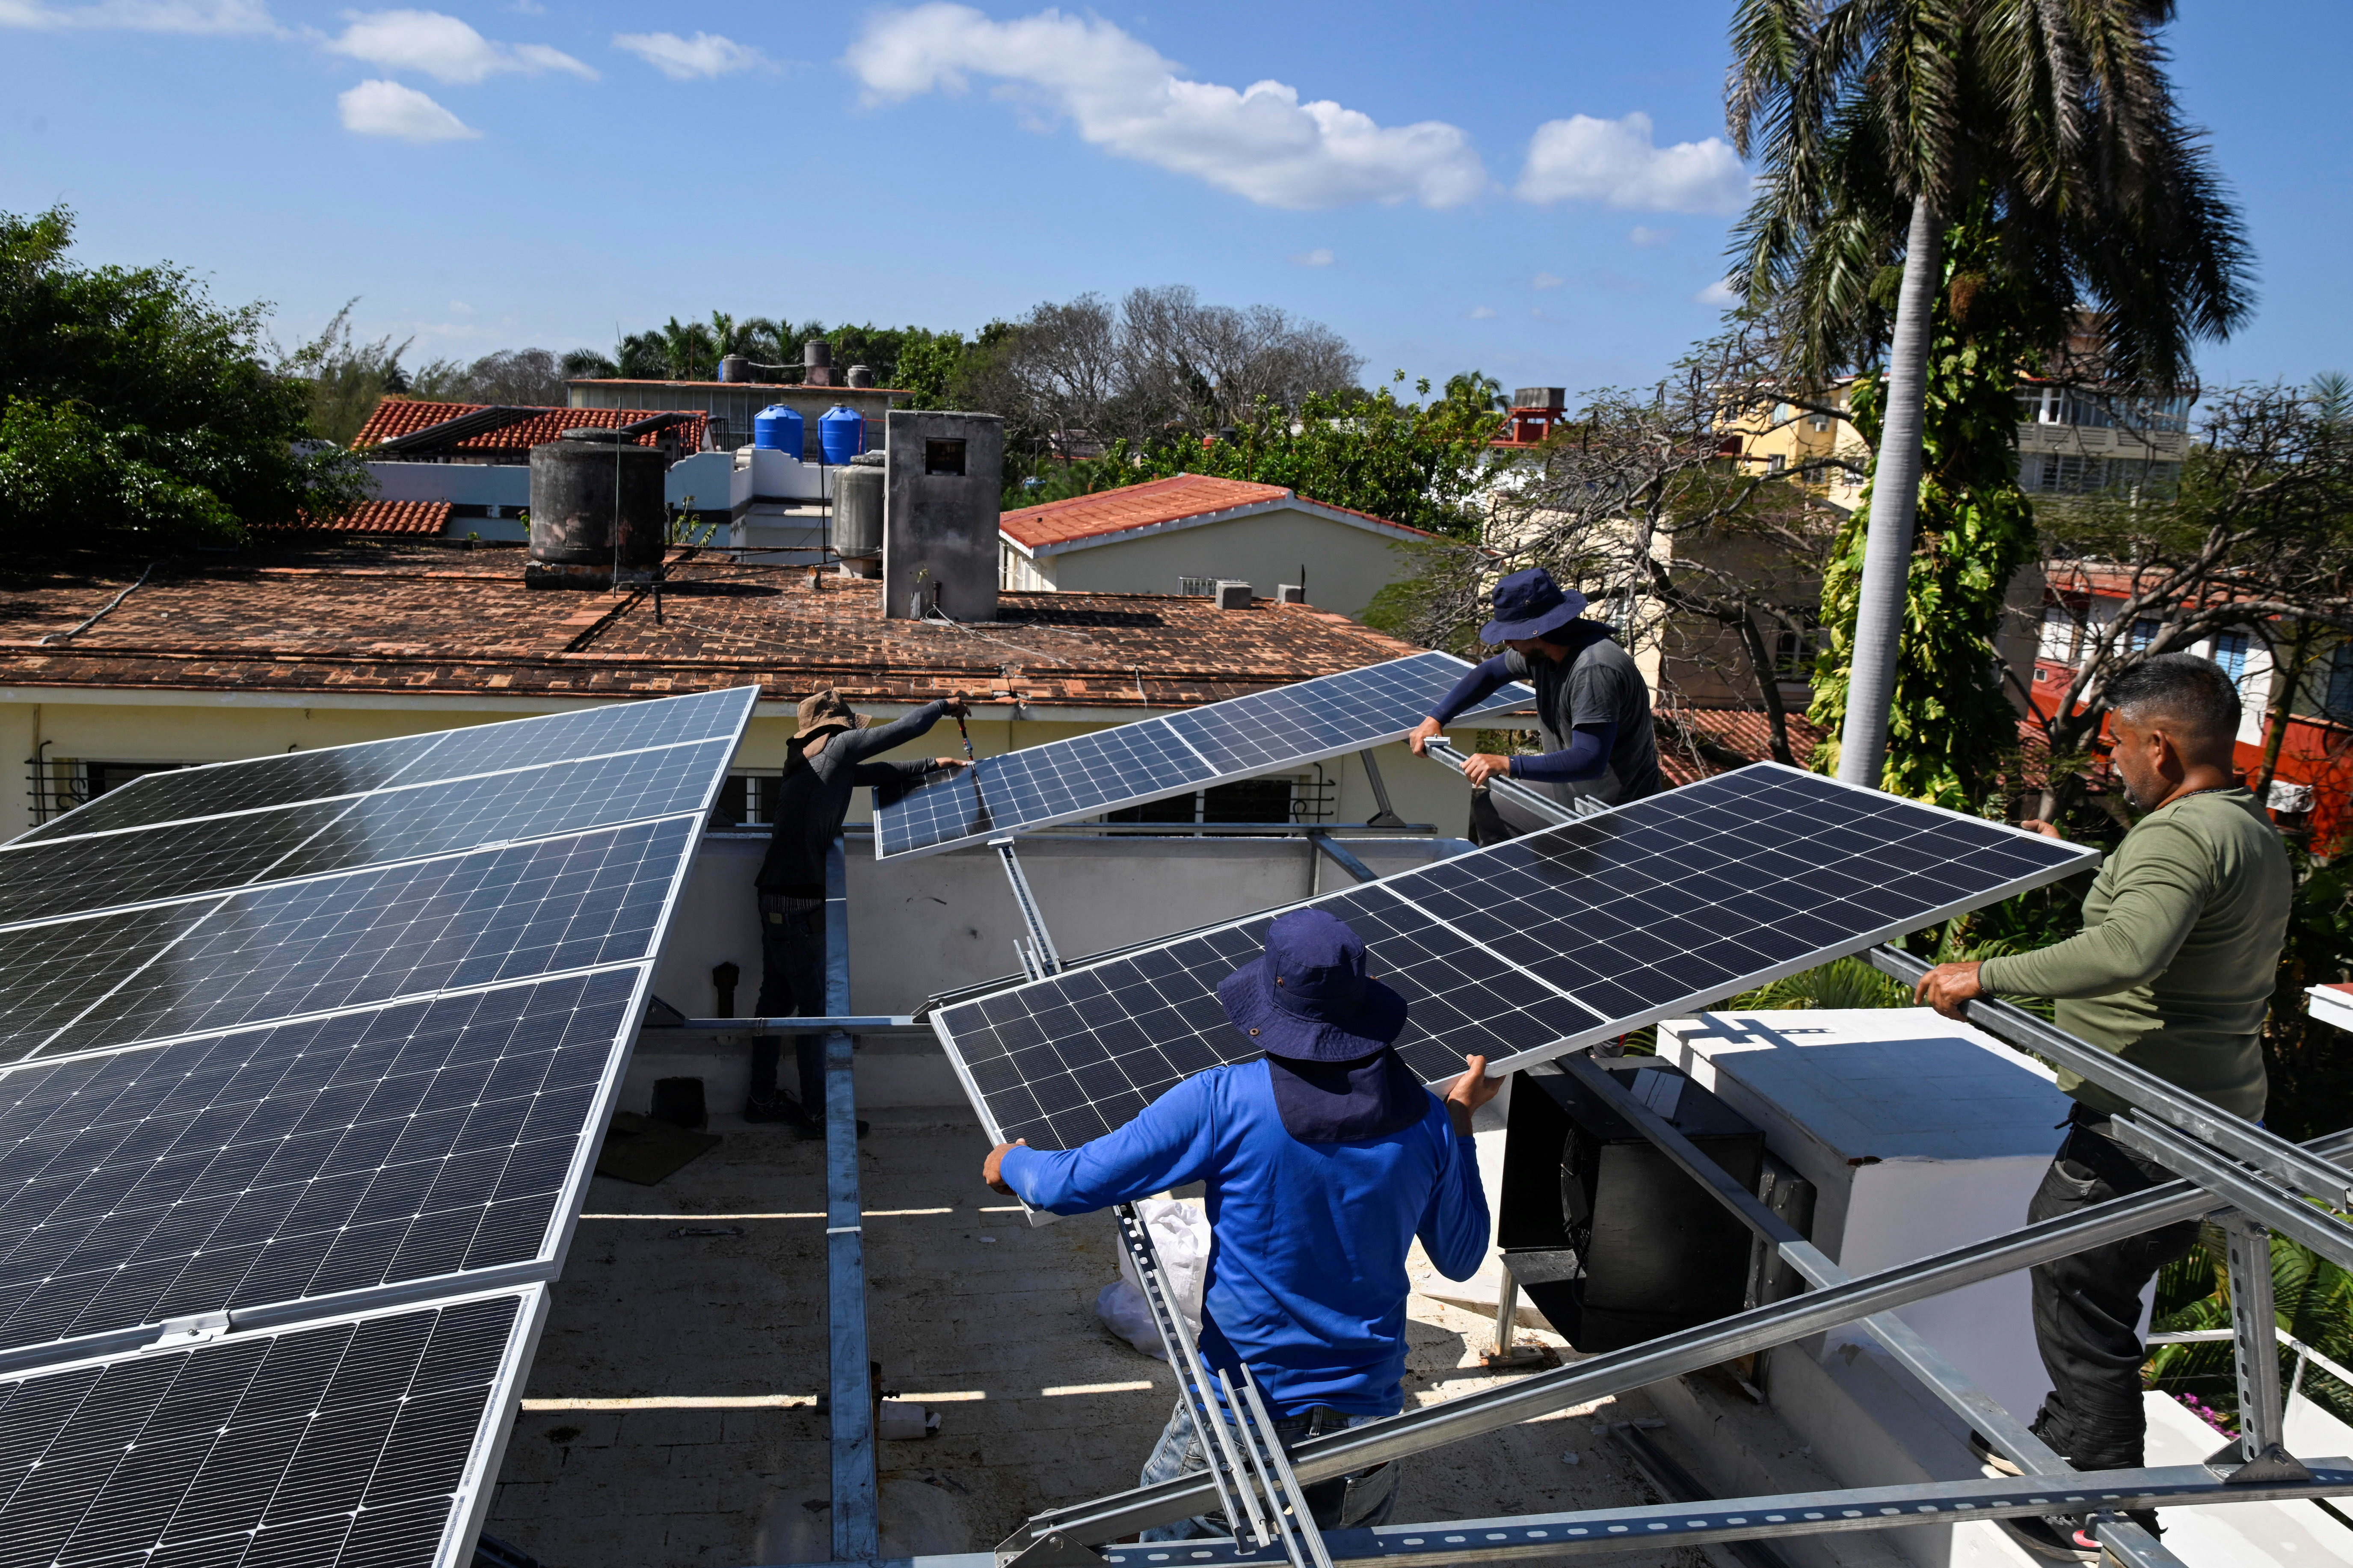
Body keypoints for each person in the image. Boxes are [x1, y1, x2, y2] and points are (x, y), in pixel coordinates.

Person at [1913, 654, 2290, 1562]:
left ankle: (2100, 1488)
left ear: (2158, 746)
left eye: (2117, 744)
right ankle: (2060, 1439)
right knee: (2095, 1282)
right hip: (2213, 1107)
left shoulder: (2177, 837)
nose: (2108, 763)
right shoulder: (2247, 829)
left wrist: (1984, 976)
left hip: (2150, 1118)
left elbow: (2128, 951)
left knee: (2076, 1282)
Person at [981, 908, 1496, 1538]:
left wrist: (1014, 1161)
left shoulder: (1222, 1102)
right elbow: (1464, 1257)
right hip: (1370, 1417)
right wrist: (1460, 1123)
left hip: (1244, 1407)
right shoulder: (1426, 1120)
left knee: (1175, 1552)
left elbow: (1071, 1183)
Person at [750, 687, 969, 1129]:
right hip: (796, 903)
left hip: (774, 894)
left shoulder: (811, 761)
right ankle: (817, 1113)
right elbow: (900, 733)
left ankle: (760, 1098)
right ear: (840, 727)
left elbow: (878, 772)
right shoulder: (837, 748)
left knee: (774, 1005)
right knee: (814, 1016)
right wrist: (944, 706)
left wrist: (932, 765)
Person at [1406, 567, 1660, 843]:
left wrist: (1508, 763)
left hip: (1613, 811)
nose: (1507, 643)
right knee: (1490, 807)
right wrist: (1437, 718)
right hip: (1574, 793)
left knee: (1522, 832)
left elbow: (1589, 760)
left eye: (1513, 634)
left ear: (1539, 630)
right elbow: (1489, 673)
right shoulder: (1543, 654)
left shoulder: (1593, 668)